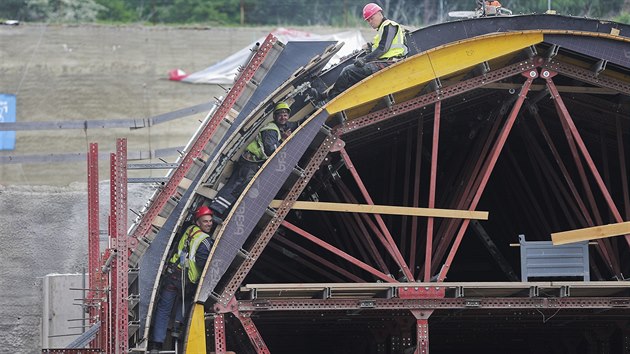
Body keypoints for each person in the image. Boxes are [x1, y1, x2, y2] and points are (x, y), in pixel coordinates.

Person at [209, 101, 300, 221]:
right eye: (280, 114)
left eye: (285, 115)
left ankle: (222, 213)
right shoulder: (271, 130)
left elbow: (293, 125)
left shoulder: (280, 127)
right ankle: (216, 210)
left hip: (251, 162)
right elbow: (270, 150)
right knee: (238, 185)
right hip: (249, 162)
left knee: (240, 187)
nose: (283, 117)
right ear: (275, 116)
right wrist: (282, 141)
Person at [148, 205, 215, 353]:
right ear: (198, 222)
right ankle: (177, 331)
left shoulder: (189, 230)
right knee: (185, 302)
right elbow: (203, 264)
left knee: (164, 309)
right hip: (188, 280)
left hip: (173, 275)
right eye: (205, 222)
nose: (209, 224)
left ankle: (156, 345)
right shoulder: (204, 241)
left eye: (210, 221)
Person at [315, 3, 408, 101]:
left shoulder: (389, 25)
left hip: (389, 63)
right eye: (368, 20)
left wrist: (364, 60)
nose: (370, 22)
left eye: (371, 18)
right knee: (352, 73)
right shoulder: (382, 29)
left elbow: (383, 48)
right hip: (384, 62)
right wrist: (369, 46)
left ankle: (329, 100)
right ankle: (328, 96)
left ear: (379, 13)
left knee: (348, 71)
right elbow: (380, 46)